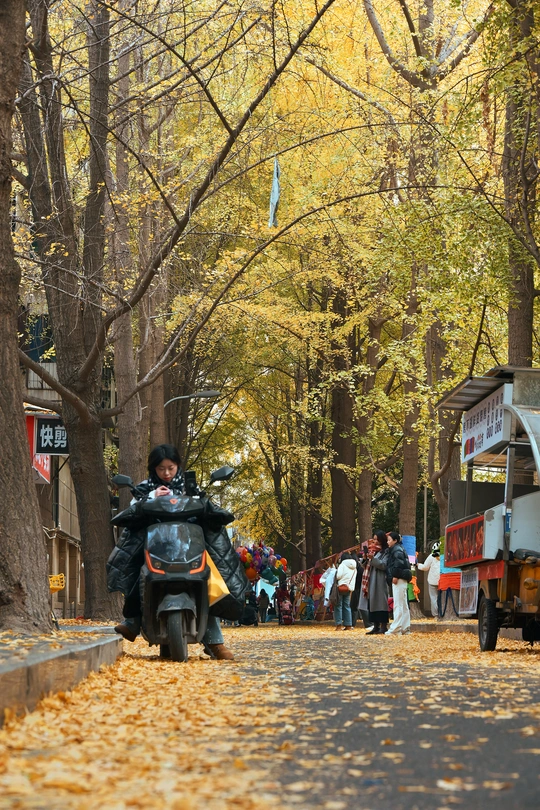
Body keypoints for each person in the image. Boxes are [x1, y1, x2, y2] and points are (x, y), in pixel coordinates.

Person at [109, 443, 234, 660]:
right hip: (156, 546)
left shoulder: (190, 487)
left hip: (189, 546)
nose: (166, 473)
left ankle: (215, 642)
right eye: (161, 469)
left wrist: (199, 499)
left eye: (171, 468)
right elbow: (133, 510)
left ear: (178, 466)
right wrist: (151, 496)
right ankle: (133, 621)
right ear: (153, 469)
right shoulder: (144, 488)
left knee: (210, 580)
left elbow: (204, 507)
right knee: (136, 572)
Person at [360, 531, 389, 635]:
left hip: (380, 579)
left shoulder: (386, 552)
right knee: (371, 603)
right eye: (374, 539)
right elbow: (365, 565)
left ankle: (383, 626)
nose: (375, 541)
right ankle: (375, 626)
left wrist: (372, 559)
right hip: (370, 579)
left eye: (377, 539)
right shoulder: (372, 550)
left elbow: (384, 565)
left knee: (381, 603)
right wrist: (365, 558)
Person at [385, 531, 412, 636]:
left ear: (395, 540)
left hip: (398, 578)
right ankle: (405, 627)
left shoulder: (396, 550)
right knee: (403, 604)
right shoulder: (399, 549)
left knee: (398, 604)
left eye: (389, 540)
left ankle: (396, 629)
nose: (388, 542)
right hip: (402, 577)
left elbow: (398, 563)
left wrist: (395, 576)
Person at [416, 542, 441, 617]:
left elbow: (425, 567)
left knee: (434, 598)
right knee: (442, 598)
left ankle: (436, 615)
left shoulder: (432, 556)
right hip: (442, 580)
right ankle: (442, 613)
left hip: (433, 581)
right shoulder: (445, 556)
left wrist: (418, 565)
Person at [334, 552, 357, 631]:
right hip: (349, 588)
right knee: (347, 606)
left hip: (341, 587)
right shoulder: (354, 567)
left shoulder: (342, 565)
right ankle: (348, 625)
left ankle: (339, 625)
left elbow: (338, 576)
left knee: (338, 605)